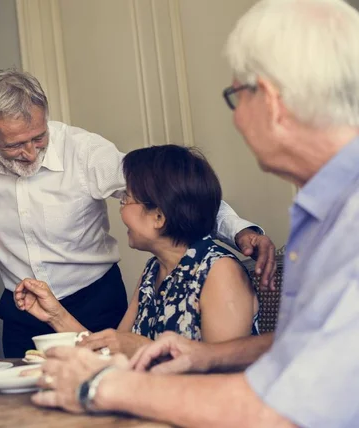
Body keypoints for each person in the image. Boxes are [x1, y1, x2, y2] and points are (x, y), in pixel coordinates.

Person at [32, 0, 359, 426]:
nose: (238, 119)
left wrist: (99, 387)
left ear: (272, 103)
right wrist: (206, 355)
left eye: (235, 96)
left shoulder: (349, 222)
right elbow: (306, 349)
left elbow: (286, 410)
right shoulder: (325, 211)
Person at [0, 68, 276, 357]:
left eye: (39, 138)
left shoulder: (85, 152)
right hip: (25, 307)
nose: (30, 153)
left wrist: (239, 229)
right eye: (15, 145)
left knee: (103, 390)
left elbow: (171, 190)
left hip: (96, 299)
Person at [14, 144, 259, 357]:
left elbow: (222, 373)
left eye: (126, 200)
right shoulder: (155, 269)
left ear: (159, 216)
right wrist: (55, 315)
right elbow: (111, 351)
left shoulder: (219, 271)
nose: (121, 211)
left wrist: (142, 349)